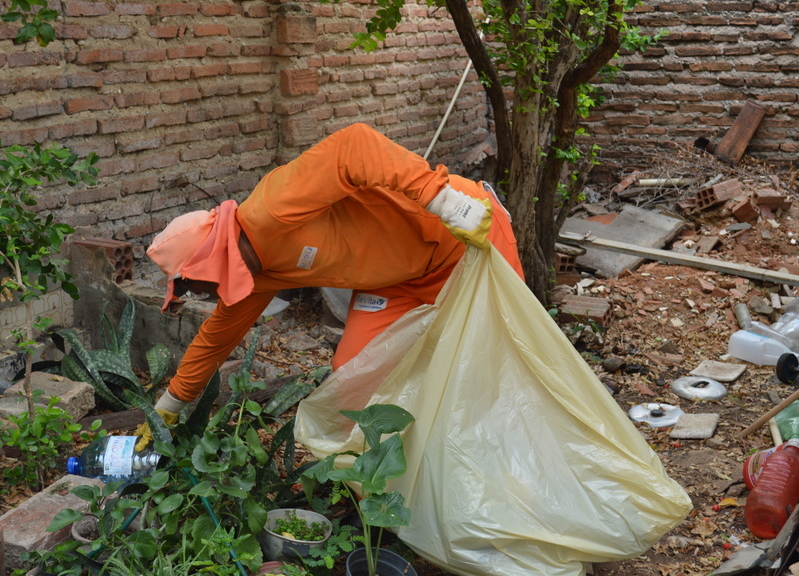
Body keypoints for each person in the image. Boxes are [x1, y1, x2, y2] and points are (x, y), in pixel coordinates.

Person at [134, 123, 524, 450]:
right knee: (353, 372)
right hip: (398, 281)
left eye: (189, 285)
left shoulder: (271, 208)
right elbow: (215, 339)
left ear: (209, 259)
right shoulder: (257, 276)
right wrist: (170, 404)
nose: (196, 296)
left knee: (496, 363)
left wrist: (442, 200)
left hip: (464, 235)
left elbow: (354, 144)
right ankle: (387, 483)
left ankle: (496, 460)